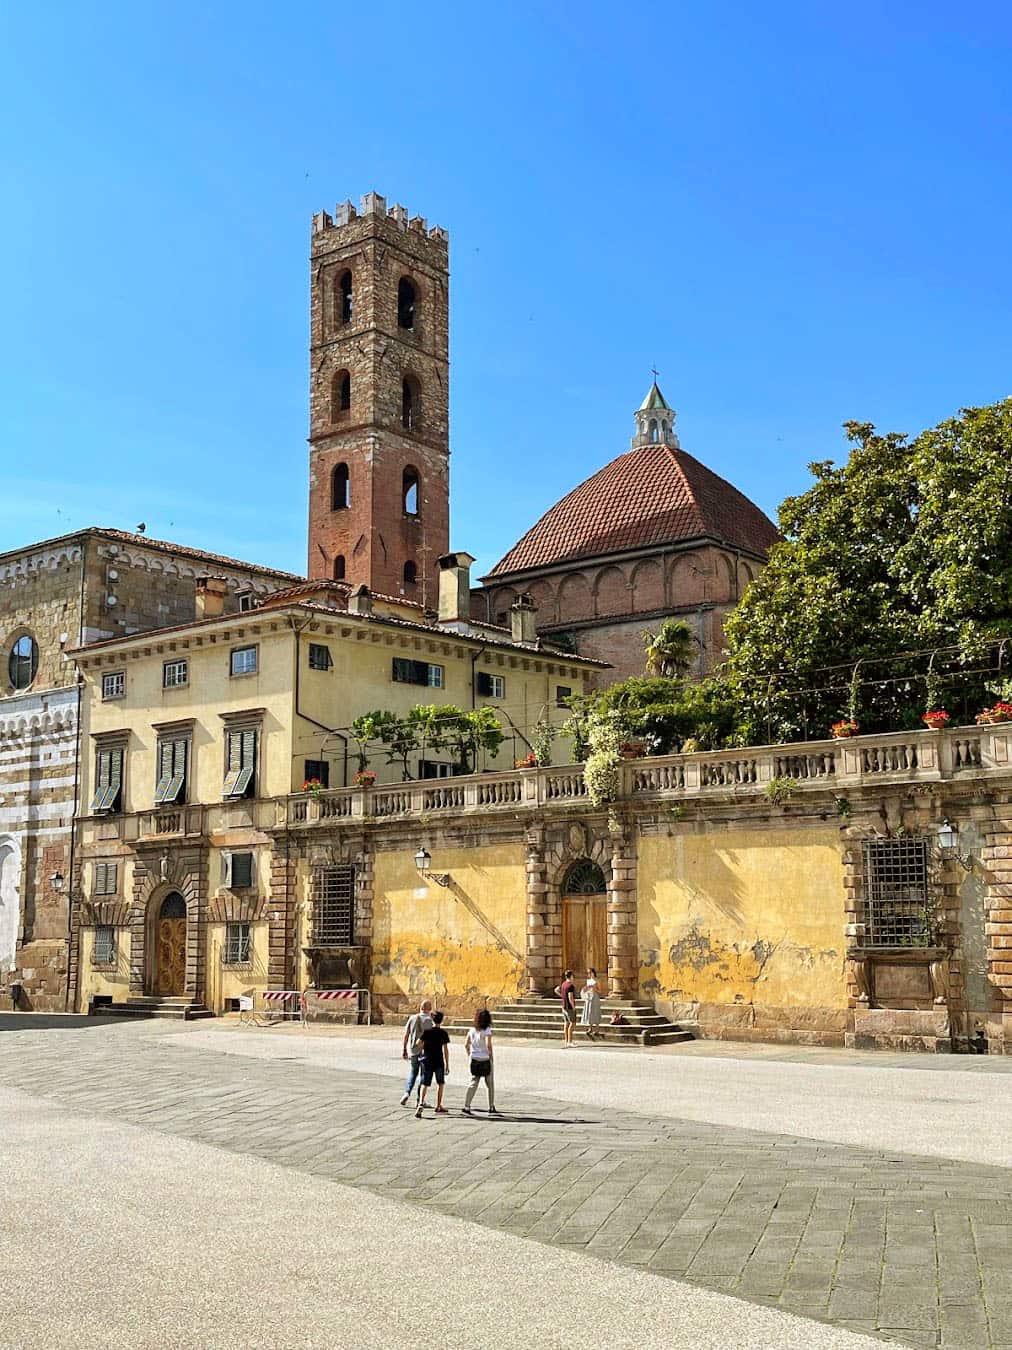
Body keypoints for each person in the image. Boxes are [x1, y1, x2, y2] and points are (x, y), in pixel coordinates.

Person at [462, 1008, 498, 1116]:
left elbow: (466, 1044)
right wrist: (491, 1056)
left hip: (475, 1058)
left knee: (473, 1082)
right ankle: (491, 1106)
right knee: (490, 1084)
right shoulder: (487, 1030)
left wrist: (470, 1054)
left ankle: (467, 1105)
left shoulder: (472, 1030)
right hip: (485, 1059)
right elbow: (488, 1045)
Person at [415, 1010, 450, 1117]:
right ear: (441, 1020)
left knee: (425, 1083)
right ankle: (439, 1105)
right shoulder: (443, 1033)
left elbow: (418, 1043)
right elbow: (445, 1050)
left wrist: (422, 1050)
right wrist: (447, 1064)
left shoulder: (427, 1032)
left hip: (427, 1060)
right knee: (440, 1083)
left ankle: (421, 1103)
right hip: (439, 1060)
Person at [400, 998, 433, 1105]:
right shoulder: (429, 1020)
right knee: (423, 1074)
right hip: (425, 1052)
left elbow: (406, 1035)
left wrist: (404, 1049)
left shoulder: (412, 1018)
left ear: (420, 1007)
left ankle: (407, 1093)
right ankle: (420, 1100)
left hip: (414, 1050)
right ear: (430, 1009)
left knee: (413, 1072)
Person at [580, 967, 602, 1040]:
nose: (589, 974)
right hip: (589, 997)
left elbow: (600, 991)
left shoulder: (597, 980)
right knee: (589, 1012)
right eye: (588, 973)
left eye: (590, 972)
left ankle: (597, 1029)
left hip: (595, 997)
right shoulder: (588, 981)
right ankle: (590, 1028)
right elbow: (586, 989)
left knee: (595, 1012)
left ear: (593, 973)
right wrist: (585, 989)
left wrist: (595, 989)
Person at [559, 969, 577, 1045]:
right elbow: (570, 997)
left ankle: (566, 1040)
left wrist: (562, 996)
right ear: (571, 976)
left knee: (566, 1023)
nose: (573, 977)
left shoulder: (563, 984)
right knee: (572, 1023)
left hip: (563, 1006)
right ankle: (570, 1041)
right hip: (569, 1007)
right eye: (573, 976)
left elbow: (556, 990)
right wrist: (573, 1007)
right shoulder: (570, 986)